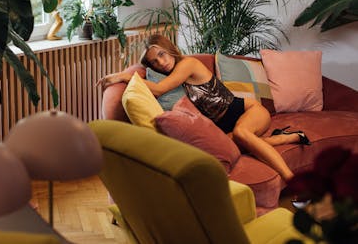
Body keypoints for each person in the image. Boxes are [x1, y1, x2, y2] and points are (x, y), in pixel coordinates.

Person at [97, 34, 310, 182]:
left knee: (241, 133)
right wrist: (138, 71)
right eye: (154, 62)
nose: (160, 63)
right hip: (225, 126)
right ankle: (289, 137)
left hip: (249, 111)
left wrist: (124, 76)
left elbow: (159, 89)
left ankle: (293, 181)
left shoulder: (187, 64)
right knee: (229, 150)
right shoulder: (171, 73)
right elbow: (154, 82)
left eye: (162, 54)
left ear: (170, 49)